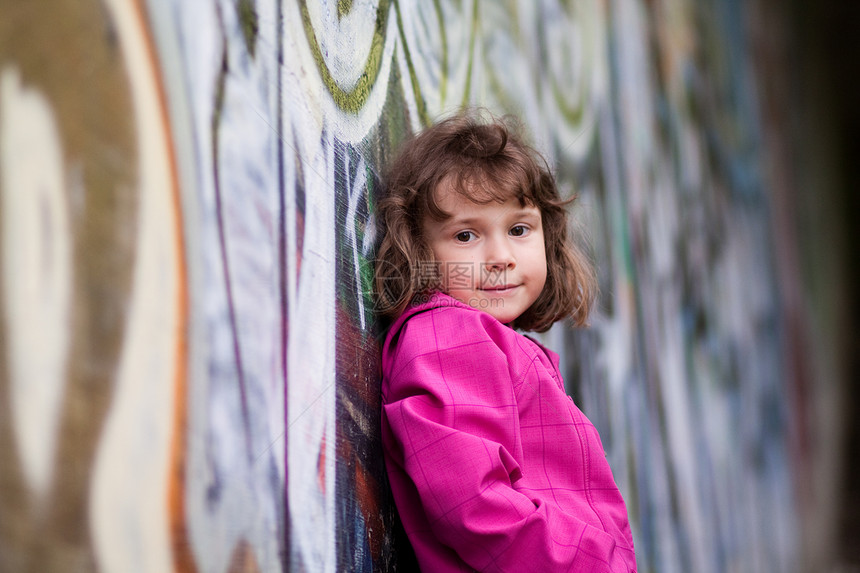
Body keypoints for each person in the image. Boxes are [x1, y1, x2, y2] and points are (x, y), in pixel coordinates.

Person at [374, 111, 636, 572]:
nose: (500, 258)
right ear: (419, 250)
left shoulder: (486, 341)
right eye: (466, 235)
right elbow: (475, 507)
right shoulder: (446, 336)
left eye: (519, 230)